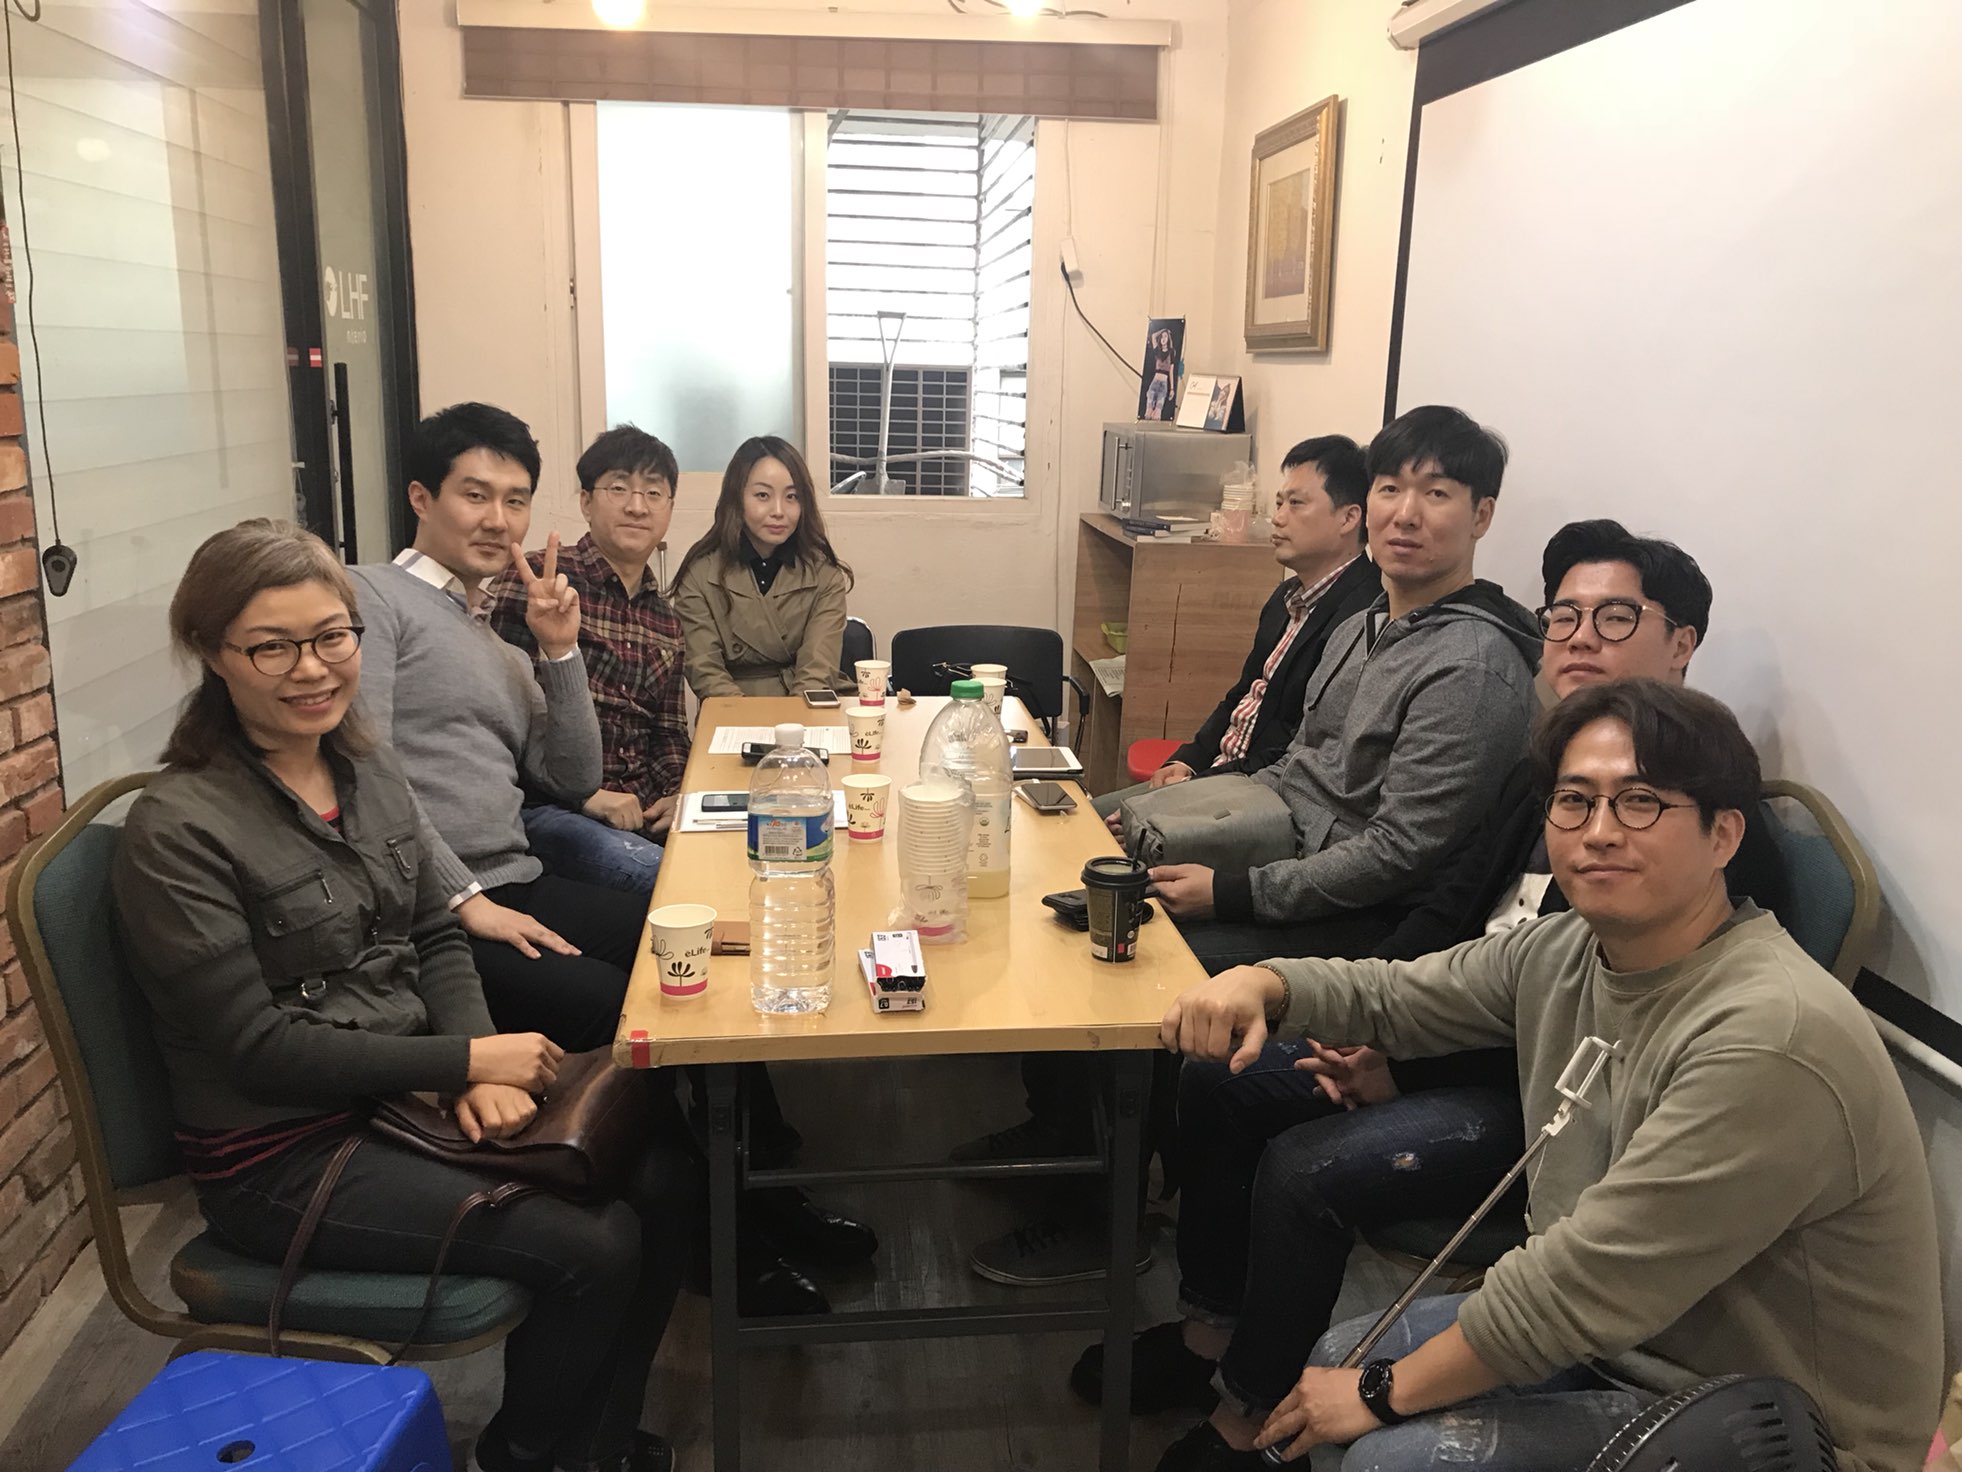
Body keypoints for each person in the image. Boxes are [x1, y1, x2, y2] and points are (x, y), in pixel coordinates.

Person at [1072, 521, 1787, 1445]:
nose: (1579, 638)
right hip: (1465, 1033)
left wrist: (1405, 1071)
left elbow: (1605, 1045)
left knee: (1309, 1169)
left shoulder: (1708, 829)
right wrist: (1364, 1033)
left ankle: (1248, 1413)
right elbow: (1453, 920)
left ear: (1681, 642)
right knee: (1224, 1076)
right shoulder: (1546, 772)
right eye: (1563, 616)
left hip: (1545, 1098)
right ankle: (1211, 1332)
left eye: (1615, 618)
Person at [1157, 679, 1941, 1472]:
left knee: (1392, 1454)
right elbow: (1396, 996)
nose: (1598, 832)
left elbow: (1581, 1287)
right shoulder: (1569, 950)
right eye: (1574, 801)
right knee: (1339, 1354)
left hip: (1774, 1425)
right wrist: (1268, 984)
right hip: (1626, 1343)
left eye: (1640, 802)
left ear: (1723, 835)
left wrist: (1379, 1395)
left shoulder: (1771, 1037)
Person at [113, 520, 696, 1472]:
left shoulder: (367, 767)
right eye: (273, 647)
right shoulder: (178, 829)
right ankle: (529, 1456)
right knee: (591, 1245)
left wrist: (474, 1066)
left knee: (667, 1177)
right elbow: (256, 1047)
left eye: (332, 636)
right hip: (280, 1152)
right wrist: (466, 1058)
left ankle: (589, 1446)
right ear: (213, 654)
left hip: (401, 1098)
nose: (313, 668)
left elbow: (435, 930)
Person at [1148, 405, 1542, 975]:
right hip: (1283, 852)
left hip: (1365, 920)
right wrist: (1179, 814)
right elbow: (1293, 765)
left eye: (1435, 494)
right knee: (1110, 863)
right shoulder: (1360, 625)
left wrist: (1232, 891)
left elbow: (1396, 856)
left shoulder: (1471, 666)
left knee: (1142, 949)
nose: (1405, 515)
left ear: (1481, 515)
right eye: (1390, 489)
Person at [347, 401, 642, 1055]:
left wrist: (560, 651)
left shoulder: (499, 644)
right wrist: (463, 897)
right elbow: (365, 763)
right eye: (475, 495)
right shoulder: (371, 596)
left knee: (682, 942)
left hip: (517, 879)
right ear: (421, 498)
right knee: (616, 1004)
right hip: (431, 909)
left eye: (516, 501)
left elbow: (574, 777)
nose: (497, 521)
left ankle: (736, 1124)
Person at [1091, 435, 1382, 820]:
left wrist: (1196, 787)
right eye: (1279, 503)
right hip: (1218, 775)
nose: (1278, 518)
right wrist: (1187, 761)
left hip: (1261, 799)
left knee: (1102, 834)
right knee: (1084, 815)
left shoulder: (1362, 618)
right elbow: (1241, 696)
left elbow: (1296, 753)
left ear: (1349, 518)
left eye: (1296, 504)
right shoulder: (1286, 598)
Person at [487, 424, 688, 897]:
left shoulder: (666, 619)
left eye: (653, 492)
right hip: (551, 808)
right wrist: (587, 796)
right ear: (585, 502)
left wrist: (677, 795)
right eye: (618, 488)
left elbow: (668, 732)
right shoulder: (541, 582)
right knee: (676, 883)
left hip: (641, 813)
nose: (637, 506)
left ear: (669, 508)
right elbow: (502, 718)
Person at [671, 436, 853, 698]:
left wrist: (794, 721)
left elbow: (817, 670)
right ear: (737, 498)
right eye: (763, 495)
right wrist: (746, 718)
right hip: (731, 709)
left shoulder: (825, 574)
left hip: (808, 705)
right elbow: (705, 670)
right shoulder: (700, 573)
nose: (779, 511)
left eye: (792, 497)